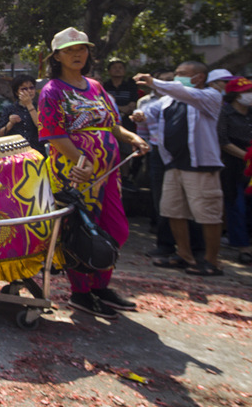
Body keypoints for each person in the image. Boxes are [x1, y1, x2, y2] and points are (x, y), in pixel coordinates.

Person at [39, 28, 148, 319]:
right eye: (70, 50)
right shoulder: (52, 91)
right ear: (57, 56)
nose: (77, 54)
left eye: (82, 49)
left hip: (109, 172)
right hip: (74, 172)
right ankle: (81, 292)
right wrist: (81, 158)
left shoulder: (97, 87)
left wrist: (132, 138)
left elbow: (113, 124)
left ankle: (101, 286)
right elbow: (54, 135)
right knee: (81, 231)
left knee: (116, 230)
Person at [136, 62, 226, 277]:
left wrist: (153, 81)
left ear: (199, 77)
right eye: (176, 74)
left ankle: (211, 260)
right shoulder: (168, 100)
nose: (177, 78)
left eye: (182, 74)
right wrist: (140, 114)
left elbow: (182, 91)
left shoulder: (210, 96)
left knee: (207, 214)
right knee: (172, 211)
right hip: (174, 164)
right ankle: (185, 256)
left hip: (200, 166)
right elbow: (150, 111)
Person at [217, 77, 252, 264]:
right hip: (234, 164)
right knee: (236, 206)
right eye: (245, 92)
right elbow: (223, 141)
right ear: (235, 96)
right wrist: (247, 157)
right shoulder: (225, 113)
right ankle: (242, 246)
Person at [0, 74, 45, 154]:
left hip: (37, 152)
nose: (29, 91)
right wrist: (10, 123)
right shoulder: (9, 109)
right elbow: (0, 134)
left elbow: (41, 126)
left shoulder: (41, 107)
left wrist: (29, 104)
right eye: (24, 89)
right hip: (15, 152)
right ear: (17, 92)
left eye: (31, 88)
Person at [102, 58, 139, 132]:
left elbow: (132, 104)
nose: (117, 70)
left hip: (128, 123)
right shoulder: (104, 86)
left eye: (120, 68)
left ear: (124, 71)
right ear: (109, 71)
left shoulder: (131, 86)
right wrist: (121, 108)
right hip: (108, 122)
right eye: (114, 68)